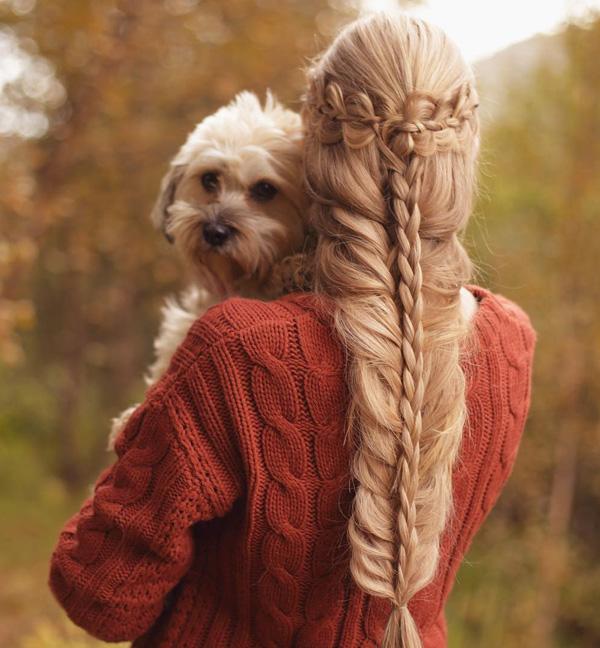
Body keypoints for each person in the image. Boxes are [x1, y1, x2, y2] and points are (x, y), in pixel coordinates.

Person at [48, 12, 537, 648]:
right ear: (464, 156)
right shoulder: (510, 342)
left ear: (314, 160)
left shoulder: (238, 350)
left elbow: (101, 597)